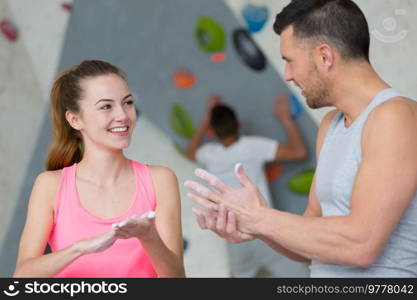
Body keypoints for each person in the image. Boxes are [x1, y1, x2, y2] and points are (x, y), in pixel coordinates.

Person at [185, 0, 417, 277]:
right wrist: (255, 224)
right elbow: (308, 245)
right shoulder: (331, 126)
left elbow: (361, 244)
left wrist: (260, 217)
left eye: (289, 61)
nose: (288, 75)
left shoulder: (396, 116)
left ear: (324, 57)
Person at [13, 60, 185, 278]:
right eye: (106, 106)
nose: (123, 115)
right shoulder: (49, 185)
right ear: (75, 119)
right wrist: (80, 248)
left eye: (128, 103)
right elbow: (22, 276)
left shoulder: (160, 180)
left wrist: (149, 236)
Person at [185, 94, 308, 277]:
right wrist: (285, 117)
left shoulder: (209, 154)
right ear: (238, 124)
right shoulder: (252, 146)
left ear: (213, 131)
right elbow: (299, 152)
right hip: (263, 229)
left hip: (233, 234)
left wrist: (205, 119)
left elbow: (190, 153)